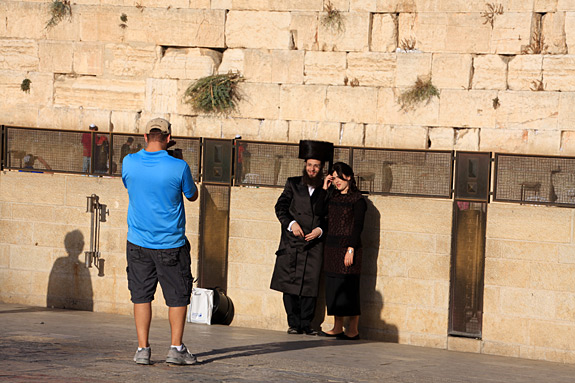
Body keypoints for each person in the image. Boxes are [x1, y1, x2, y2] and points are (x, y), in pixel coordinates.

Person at [122, 118, 199, 365]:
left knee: (141, 296)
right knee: (177, 296)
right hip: (170, 243)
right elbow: (192, 195)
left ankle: (142, 349)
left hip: (137, 241)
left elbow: (129, 185)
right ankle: (176, 348)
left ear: (145, 136)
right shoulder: (179, 166)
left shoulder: (129, 162)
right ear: (168, 138)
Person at [270, 140, 334, 336]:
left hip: (314, 244)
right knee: (289, 284)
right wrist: (292, 224)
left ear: (321, 168)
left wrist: (320, 230)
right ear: (304, 166)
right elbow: (280, 207)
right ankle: (293, 323)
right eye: (309, 165)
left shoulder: (327, 189)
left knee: (310, 285)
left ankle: (307, 324)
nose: (312, 169)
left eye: (316, 166)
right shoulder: (293, 183)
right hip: (292, 242)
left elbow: (328, 214)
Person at [318, 162, 367, 341]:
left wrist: (351, 249)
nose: (337, 181)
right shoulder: (332, 196)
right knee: (334, 288)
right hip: (332, 249)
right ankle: (337, 327)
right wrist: (324, 188)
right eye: (334, 177)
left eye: (339, 177)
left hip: (349, 249)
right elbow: (318, 211)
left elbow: (358, 226)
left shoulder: (358, 200)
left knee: (349, 288)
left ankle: (353, 329)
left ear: (349, 177)